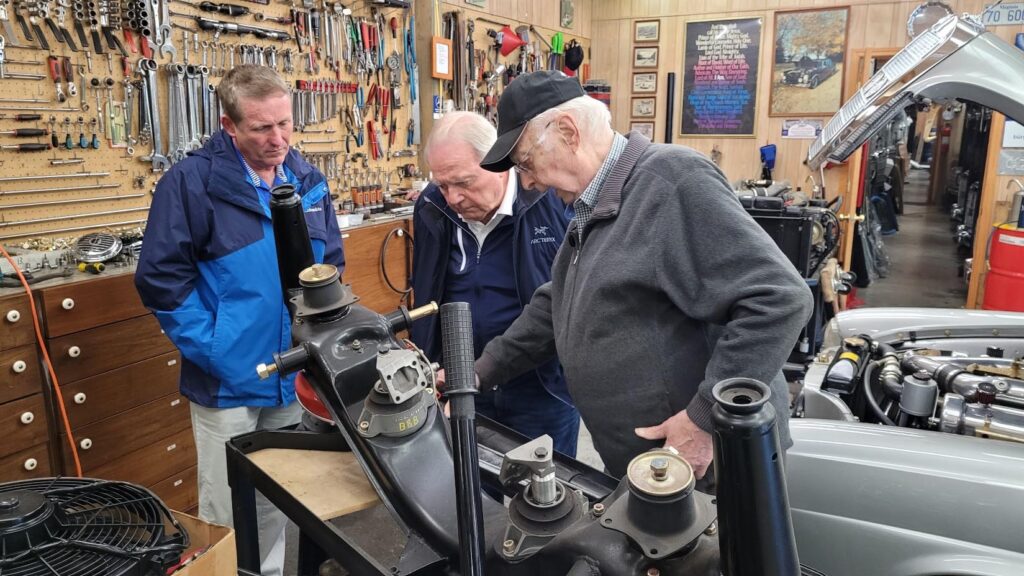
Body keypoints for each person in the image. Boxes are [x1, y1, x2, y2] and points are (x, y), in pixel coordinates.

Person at [474, 70, 813, 479]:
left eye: (527, 162)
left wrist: (705, 417)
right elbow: (560, 300)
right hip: (655, 468)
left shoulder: (670, 182)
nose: (529, 182)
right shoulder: (594, 204)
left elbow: (779, 297)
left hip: (708, 464)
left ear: (568, 132)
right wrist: (482, 369)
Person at [135, 65, 345, 576]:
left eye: (285, 125)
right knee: (229, 508)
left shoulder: (308, 181)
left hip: (292, 372)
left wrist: (316, 342)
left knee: (277, 497)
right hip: (229, 380)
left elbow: (331, 265)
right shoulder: (191, 184)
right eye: (261, 128)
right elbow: (160, 279)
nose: (278, 140)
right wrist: (216, 350)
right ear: (229, 126)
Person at [411, 111, 580, 456]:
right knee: (473, 493)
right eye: (443, 184)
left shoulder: (553, 202)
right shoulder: (431, 205)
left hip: (542, 388)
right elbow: (425, 290)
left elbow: (569, 299)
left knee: (546, 497)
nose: (453, 198)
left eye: (464, 182)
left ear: (498, 163)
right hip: (460, 381)